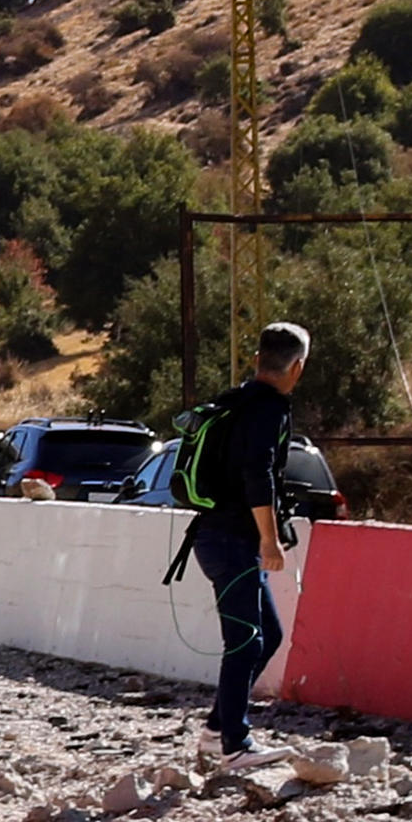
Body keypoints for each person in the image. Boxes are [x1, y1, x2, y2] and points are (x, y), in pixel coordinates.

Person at [168, 322, 305, 762]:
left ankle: (216, 729)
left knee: (267, 635)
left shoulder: (237, 401)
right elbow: (258, 475)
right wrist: (270, 540)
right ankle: (235, 744)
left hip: (217, 537)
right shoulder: (268, 410)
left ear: (257, 360)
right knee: (245, 641)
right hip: (232, 541)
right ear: (297, 368)